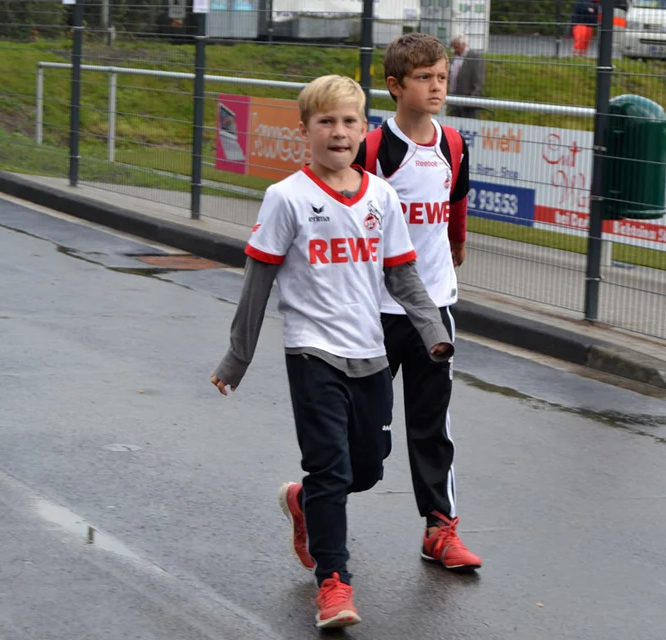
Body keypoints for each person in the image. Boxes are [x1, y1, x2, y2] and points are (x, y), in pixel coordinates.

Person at [210, 74, 455, 630]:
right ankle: (333, 583)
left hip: (370, 352)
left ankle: (303, 502)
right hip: (311, 351)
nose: (338, 132)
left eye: (349, 121)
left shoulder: (382, 197)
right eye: (326, 122)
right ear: (306, 132)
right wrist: (237, 358)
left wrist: (431, 330)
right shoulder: (286, 198)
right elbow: (257, 283)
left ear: (362, 129)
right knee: (330, 465)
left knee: (364, 470)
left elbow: (405, 279)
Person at [354, 32, 483, 573]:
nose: (436, 87)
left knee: (432, 424)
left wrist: (454, 252)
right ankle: (313, 503)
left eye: (441, 77)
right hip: (374, 312)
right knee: (363, 439)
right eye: (424, 78)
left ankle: (440, 529)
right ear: (394, 86)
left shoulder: (452, 145)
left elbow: (455, 209)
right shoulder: (372, 150)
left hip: (435, 311)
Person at [446, 34, 485, 119]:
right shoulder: (453, 58)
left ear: (463, 45)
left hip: (467, 101)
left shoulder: (474, 56)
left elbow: (478, 80)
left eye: (456, 47)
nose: (454, 50)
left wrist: (472, 99)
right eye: (453, 47)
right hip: (453, 98)